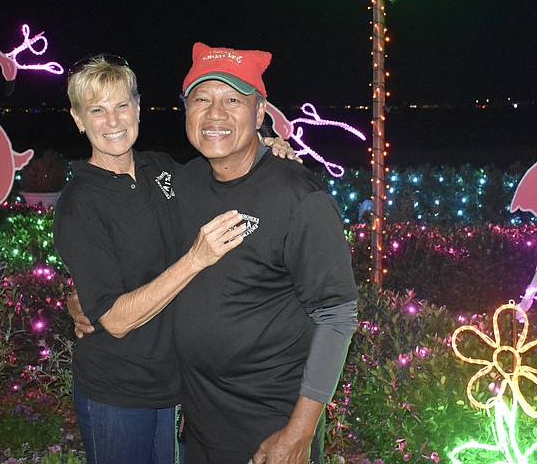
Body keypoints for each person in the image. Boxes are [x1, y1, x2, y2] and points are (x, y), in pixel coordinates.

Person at [53, 54, 294, 464]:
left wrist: (263, 148)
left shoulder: (160, 169)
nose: (113, 121)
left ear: (139, 109)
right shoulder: (80, 203)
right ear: (78, 120)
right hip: (118, 388)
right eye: (97, 110)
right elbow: (114, 319)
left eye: (121, 105)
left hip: (173, 383)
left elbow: (223, 176)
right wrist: (195, 259)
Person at [172, 42, 359, 464]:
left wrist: (299, 432)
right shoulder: (183, 183)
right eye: (202, 99)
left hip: (270, 431)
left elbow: (337, 316)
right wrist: (87, 294)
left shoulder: (300, 199)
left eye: (233, 101)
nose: (215, 114)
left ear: (259, 114)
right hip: (199, 429)